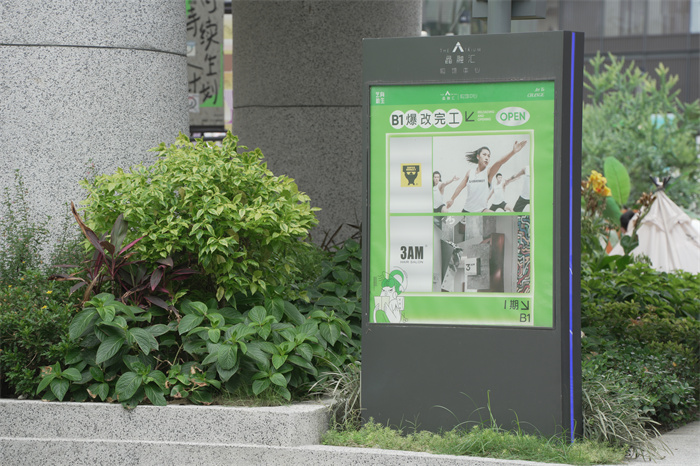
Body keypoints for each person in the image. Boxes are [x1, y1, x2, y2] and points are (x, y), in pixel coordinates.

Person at [446, 141, 527, 213]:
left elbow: (499, 162)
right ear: (478, 156)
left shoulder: (488, 172)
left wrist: (513, 152)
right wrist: (452, 199)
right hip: (466, 211)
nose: (487, 158)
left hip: (482, 211)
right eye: (484, 155)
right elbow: (460, 187)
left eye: (488, 156)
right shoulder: (469, 173)